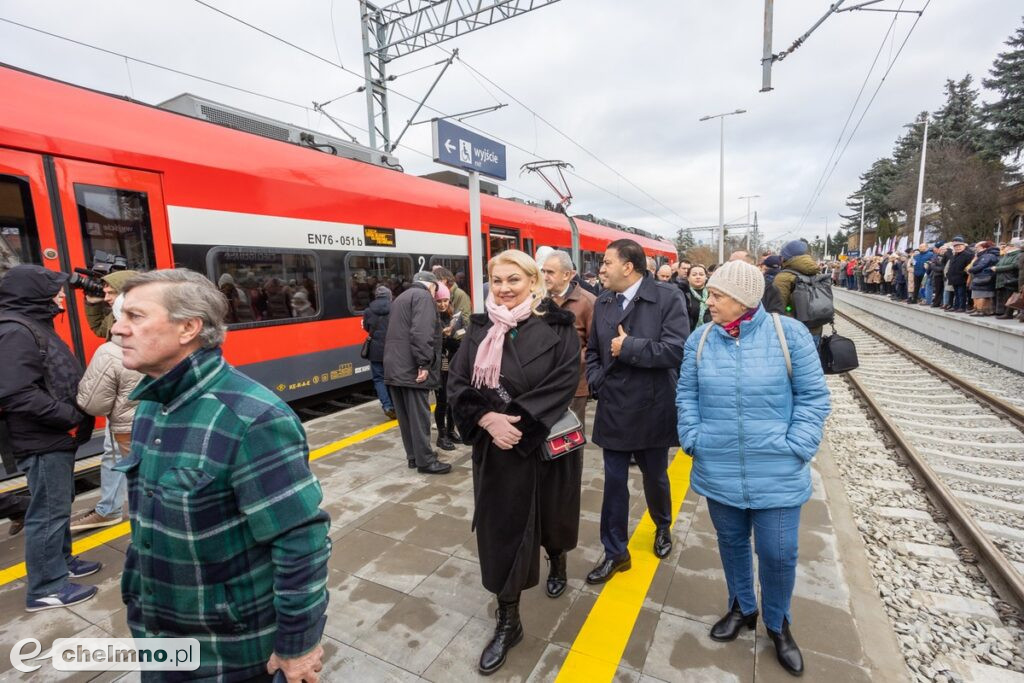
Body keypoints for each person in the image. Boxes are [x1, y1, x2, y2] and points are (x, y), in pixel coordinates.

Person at [112, 268, 330, 680]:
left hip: (228, 650)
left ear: (188, 328)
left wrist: (298, 645)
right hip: (157, 634)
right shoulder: (151, 405)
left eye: (135, 316)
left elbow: (301, 540)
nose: (118, 330)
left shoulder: (251, 419)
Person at [675, 260, 830, 677]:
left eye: (718, 296)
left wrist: (797, 446)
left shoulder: (789, 334)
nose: (710, 301)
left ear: (744, 301)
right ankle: (742, 607)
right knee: (731, 543)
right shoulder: (701, 339)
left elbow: (814, 398)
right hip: (718, 465)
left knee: (779, 553)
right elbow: (686, 393)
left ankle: (778, 623)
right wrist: (692, 436)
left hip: (777, 468)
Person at [447, 249, 580, 675]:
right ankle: (509, 619)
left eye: (514, 280)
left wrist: (516, 426)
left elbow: (563, 384)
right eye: (497, 280)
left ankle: (556, 557)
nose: (504, 289)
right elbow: (457, 382)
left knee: (553, 515)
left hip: (541, 444)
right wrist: (486, 419)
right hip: (497, 450)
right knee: (502, 531)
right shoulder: (479, 327)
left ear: (534, 282)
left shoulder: (558, 327)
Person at [585, 239, 689, 584]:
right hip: (614, 405)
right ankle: (615, 552)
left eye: (606, 262)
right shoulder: (603, 301)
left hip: (652, 406)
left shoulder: (667, 297)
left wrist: (629, 346)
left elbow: (676, 351)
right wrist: (595, 380)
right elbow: (593, 351)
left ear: (628, 266)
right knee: (614, 483)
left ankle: (662, 526)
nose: (601, 268)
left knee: (655, 477)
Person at [0, 265, 101, 611]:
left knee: (59, 506)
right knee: (48, 512)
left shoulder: (30, 324)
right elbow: (16, 393)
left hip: (54, 435)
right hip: (43, 437)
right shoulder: (15, 331)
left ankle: (61, 563)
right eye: (53, 290)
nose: (61, 295)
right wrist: (70, 417)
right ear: (32, 294)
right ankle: (46, 587)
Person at [72, 295, 143, 531]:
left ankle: (109, 510)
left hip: (126, 430)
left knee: (131, 472)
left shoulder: (111, 351)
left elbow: (93, 404)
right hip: (156, 428)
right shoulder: (170, 345)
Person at [384, 271, 450, 474]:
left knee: (405, 417)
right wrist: (423, 364)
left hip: (394, 367)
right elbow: (421, 332)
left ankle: (414, 457)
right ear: (431, 286)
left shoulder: (400, 298)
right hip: (412, 368)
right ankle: (426, 461)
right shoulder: (423, 297)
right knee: (420, 416)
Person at [541, 250, 596, 432]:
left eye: (550, 272)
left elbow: (595, 346)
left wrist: (569, 362)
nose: (545, 276)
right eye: (543, 271)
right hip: (542, 382)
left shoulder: (587, 302)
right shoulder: (539, 299)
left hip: (574, 384)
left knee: (569, 437)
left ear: (567, 274)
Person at [433, 283, 465, 451]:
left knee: (453, 399)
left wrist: (459, 334)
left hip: (453, 362)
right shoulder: (431, 319)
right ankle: (441, 435)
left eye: (445, 300)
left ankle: (451, 430)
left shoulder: (453, 316)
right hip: (440, 365)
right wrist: (444, 337)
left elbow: (458, 340)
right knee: (442, 401)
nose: (443, 304)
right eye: (439, 301)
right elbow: (431, 345)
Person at [363, 285, 395, 419]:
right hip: (392, 349)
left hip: (375, 350)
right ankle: (396, 404)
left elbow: (366, 327)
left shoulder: (368, 310)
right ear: (389, 296)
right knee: (393, 378)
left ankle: (387, 405)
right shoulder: (395, 308)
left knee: (379, 379)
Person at [968, 241, 1000, 316]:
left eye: (977, 247)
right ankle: (984, 310)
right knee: (982, 294)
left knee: (981, 295)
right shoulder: (989, 254)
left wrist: (971, 269)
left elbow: (981, 265)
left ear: (984, 247)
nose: (976, 249)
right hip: (985, 276)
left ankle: (980, 310)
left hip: (983, 277)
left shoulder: (988, 255)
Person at [993, 239, 1021, 319]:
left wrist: (998, 269)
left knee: (1009, 297)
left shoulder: (1018, 255)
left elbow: (1014, 266)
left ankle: (1008, 314)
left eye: (1007, 246)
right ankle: (1002, 312)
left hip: (1010, 278)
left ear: (1013, 246)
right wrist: (996, 267)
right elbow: (999, 264)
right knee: (1002, 296)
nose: (1005, 247)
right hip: (1002, 278)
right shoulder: (1006, 255)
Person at [681, 264, 712, 333]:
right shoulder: (682, 293)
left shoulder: (713, 293)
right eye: (694, 275)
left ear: (706, 277)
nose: (698, 277)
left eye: (701, 274)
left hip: (710, 332)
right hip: (688, 333)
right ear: (688, 278)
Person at [946, 237, 974, 312]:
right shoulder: (954, 255)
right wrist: (949, 274)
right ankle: (956, 306)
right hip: (954, 277)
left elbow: (968, 267)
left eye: (959, 246)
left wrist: (963, 274)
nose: (958, 248)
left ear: (964, 246)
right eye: (956, 247)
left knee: (961, 293)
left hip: (962, 277)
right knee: (956, 293)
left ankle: (962, 307)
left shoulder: (968, 255)